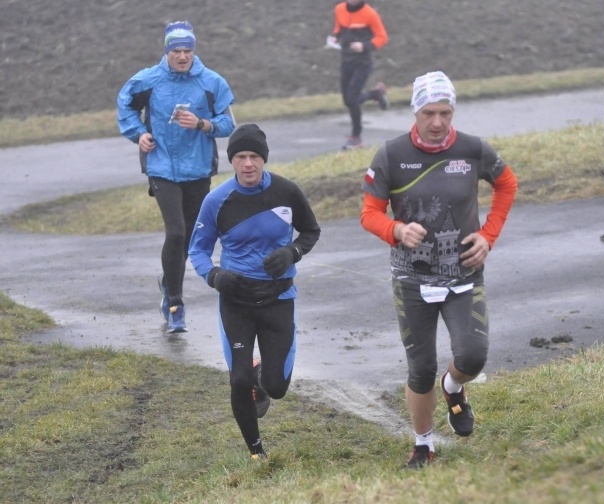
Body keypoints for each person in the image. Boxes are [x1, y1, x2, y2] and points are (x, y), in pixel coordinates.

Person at [360, 71, 518, 469]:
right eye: (429, 112)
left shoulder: (473, 150)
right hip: (411, 279)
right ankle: (423, 444)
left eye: (445, 112)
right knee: (421, 367)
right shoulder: (390, 155)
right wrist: (395, 229)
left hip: (463, 273)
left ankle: (453, 389)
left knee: (473, 356)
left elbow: (507, 184)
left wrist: (488, 236)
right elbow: (368, 214)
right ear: (415, 111)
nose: (437, 122)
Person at [188, 123, 321, 461]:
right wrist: (214, 275)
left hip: (278, 299)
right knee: (238, 379)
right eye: (241, 157)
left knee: (276, 388)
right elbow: (198, 250)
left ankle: (263, 378)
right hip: (236, 302)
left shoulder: (286, 192)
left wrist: (292, 253)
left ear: (264, 159)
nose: (248, 163)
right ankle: (256, 452)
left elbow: (310, 231)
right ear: (232, 161)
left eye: (254, 157)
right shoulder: (216, 200)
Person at [117, 20, 236, 333]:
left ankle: (168, 282)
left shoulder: (211, 82)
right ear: (167, 52)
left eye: (187, 50)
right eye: (176, 51)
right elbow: (124, 106)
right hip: (162, 166)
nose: (182, 56)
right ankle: (176, 306)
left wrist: (201, 124)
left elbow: (227, 124)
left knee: (192, 236)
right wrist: (138, 134)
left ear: (194, 51)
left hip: (198, 169)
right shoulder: (148, 80)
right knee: (177, 232)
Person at [329, 0, 390, 150]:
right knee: (348, 100)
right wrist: (335, 36)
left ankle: (356, 137)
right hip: (346, 60)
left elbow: (382, 37)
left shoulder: (370, 14)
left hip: (363, 62)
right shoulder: (339, 9)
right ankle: (376, 93)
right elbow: (338, 27)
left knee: (352, 98)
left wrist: (364, 46)